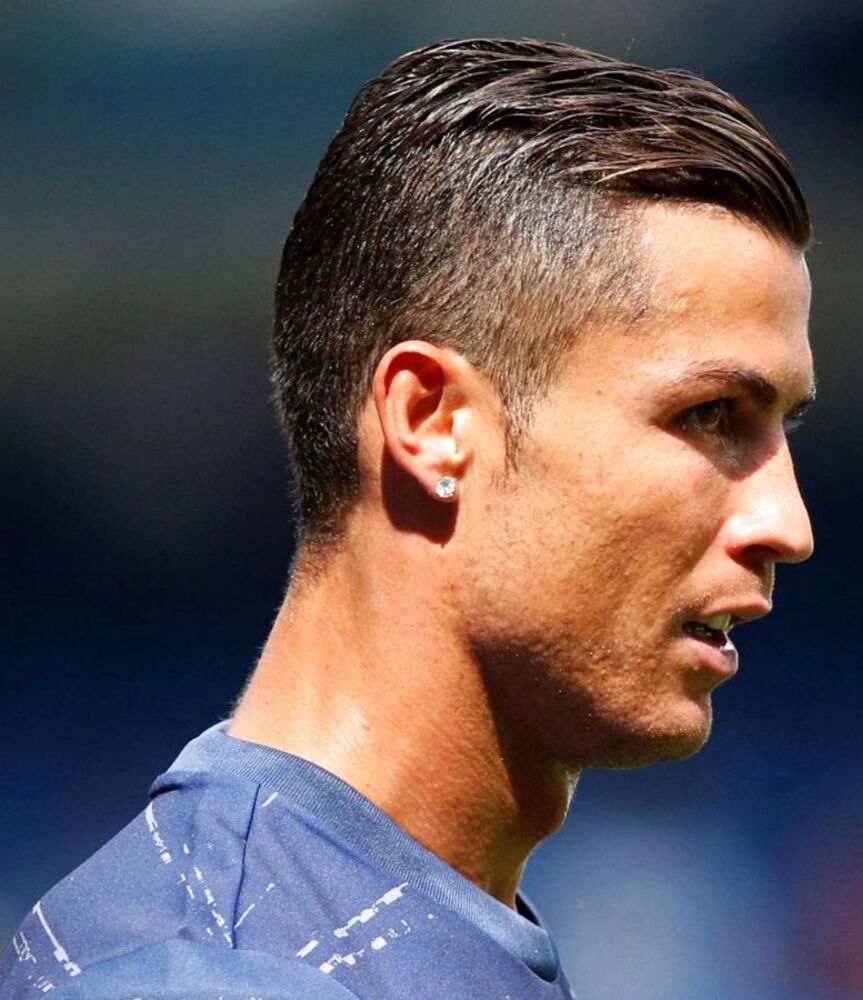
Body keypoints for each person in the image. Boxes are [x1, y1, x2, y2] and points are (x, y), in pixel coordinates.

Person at [2, 37, 815, 999]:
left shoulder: (386, 932)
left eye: (783, 428)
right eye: (710, 415)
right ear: (432, 423)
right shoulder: (208, 980)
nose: (788, 523)